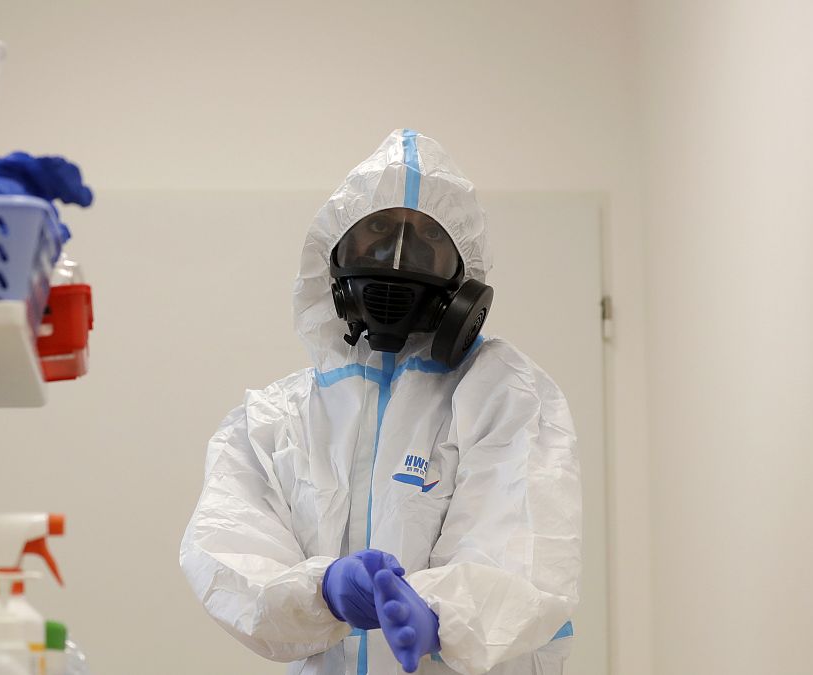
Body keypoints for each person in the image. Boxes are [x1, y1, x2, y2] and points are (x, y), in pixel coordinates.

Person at [180, 129, 580, 675]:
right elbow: (226, 551)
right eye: (376, 229)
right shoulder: (275, 421)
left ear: (462, 275)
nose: (397, 256)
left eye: (427, 238)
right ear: (333, 254)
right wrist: (323, 590)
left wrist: (441, 614)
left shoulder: (504, 393)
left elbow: (522, 552)